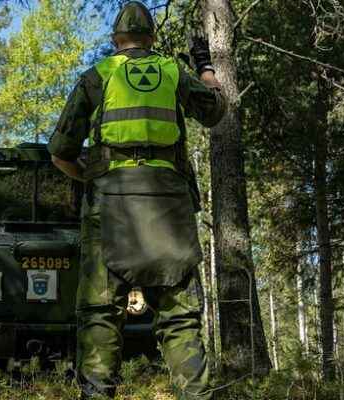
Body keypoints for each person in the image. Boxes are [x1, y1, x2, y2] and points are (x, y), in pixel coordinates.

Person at [47, 2, 227, 399]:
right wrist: (207, 70)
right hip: (169, 205)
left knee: (99, 314)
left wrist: (91, 177)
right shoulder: (171, 71)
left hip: (109, 203)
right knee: (179, 317)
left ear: (116, 41)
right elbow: (214, 111)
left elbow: (60, 152)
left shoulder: (98, 75)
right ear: (153, 38)